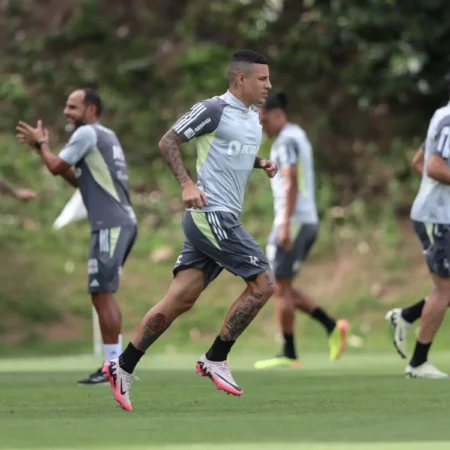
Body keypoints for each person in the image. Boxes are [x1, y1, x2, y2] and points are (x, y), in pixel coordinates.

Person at [101, 49, 277, 412]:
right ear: (240, 79)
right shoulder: (213, 109)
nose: (269, 85)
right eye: (262, 78)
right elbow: (168, 141)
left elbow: (233, 152)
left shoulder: (253, 116)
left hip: (218, 218)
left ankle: (123, 365)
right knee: (263, 284)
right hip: (211, 214)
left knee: (180, 299)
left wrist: (260, 162)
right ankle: (216, 357)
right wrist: (186, 184)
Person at [16, 89, 137, 385]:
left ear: (91, 109)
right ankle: (113, 364)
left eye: (73, 107)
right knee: (99, 293)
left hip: (111, 223)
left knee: (103, 292)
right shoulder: (106, 135)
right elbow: (78, 180)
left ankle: (115, 367)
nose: (67, 112)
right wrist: (41, 149)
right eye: (66, 106)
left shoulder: (87, 134)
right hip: (116, 222)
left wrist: (41, 144)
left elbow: (57, 166)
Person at [254, 92, 348, 370]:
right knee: (281, 286)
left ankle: (289, 352)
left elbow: (291, 181)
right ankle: (332, 326)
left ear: (277, 114)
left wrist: (284, 223)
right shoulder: (298, 134)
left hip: (294, 220)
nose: (262, 126)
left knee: (275, 287)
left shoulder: (285, 142)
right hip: (303, 219)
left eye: (264, 120)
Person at [386, 93, 450, 378]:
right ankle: (418, 363)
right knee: (445, 290)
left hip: (436, 214)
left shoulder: (441, 115)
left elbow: (418, 162)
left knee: (446, 289)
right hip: (437, 218)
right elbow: (434, 167)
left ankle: (408, 316)